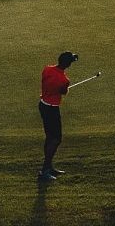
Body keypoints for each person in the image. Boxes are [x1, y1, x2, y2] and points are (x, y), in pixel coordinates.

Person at [38, 51, 79, 180]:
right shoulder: (64, 80)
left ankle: (49, 166)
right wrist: (66, 88)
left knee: (49, 137)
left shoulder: (47, 69)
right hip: (52, 109)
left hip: (43, 105)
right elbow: (63, 92)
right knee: (56, 139)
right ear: (68, 64)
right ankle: (45, 169)